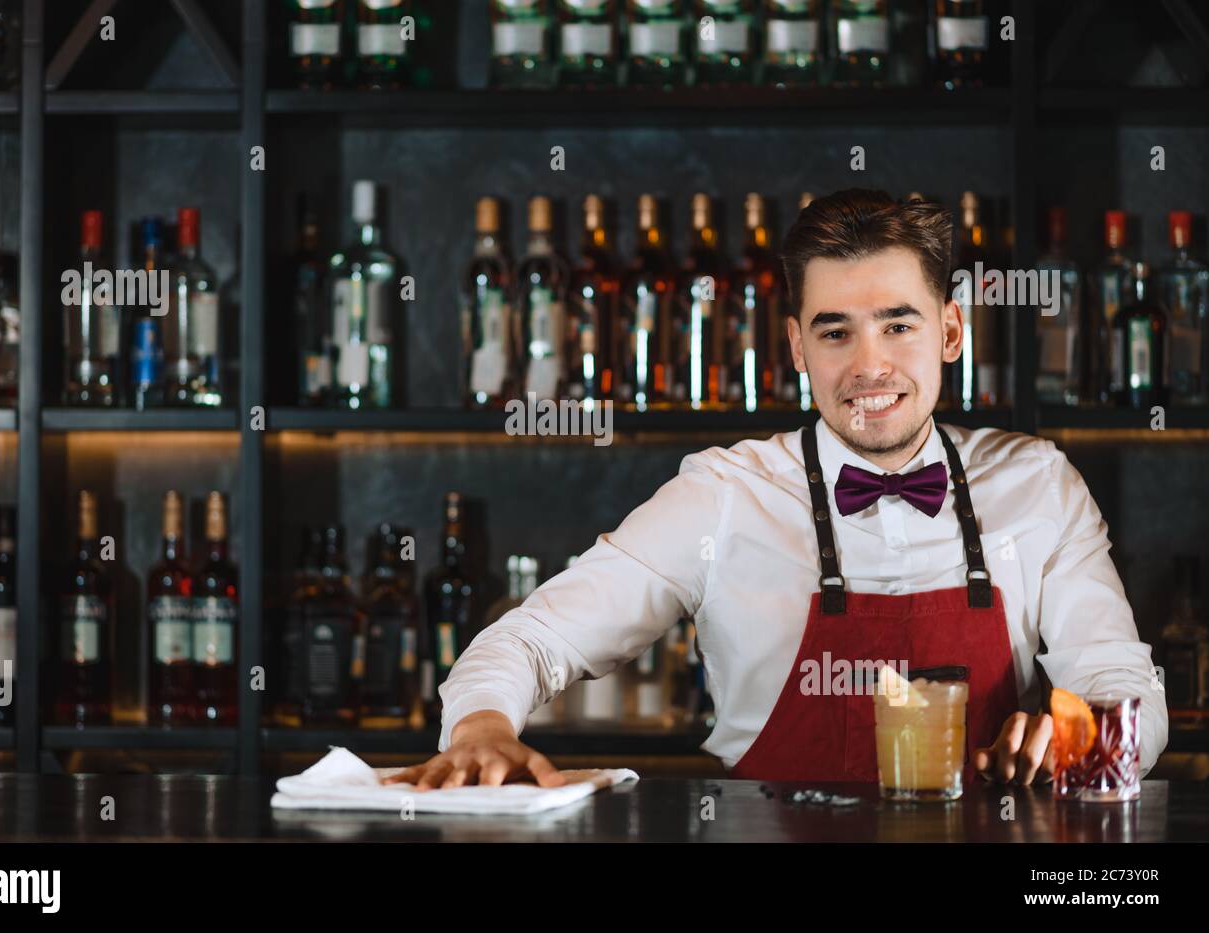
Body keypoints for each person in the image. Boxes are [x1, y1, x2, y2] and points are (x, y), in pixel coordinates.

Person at [382, 188, 1168, 791]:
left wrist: (1078, 736)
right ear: (796, 345)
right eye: (836, 332)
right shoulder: (725, 495)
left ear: (952, 332)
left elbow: (1124, 684)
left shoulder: (1037, 483)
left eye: (899, 324)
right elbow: (528, 640)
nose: (870, 365)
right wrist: (481, 727)